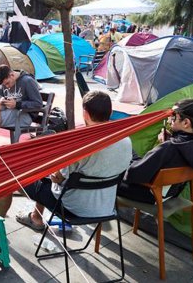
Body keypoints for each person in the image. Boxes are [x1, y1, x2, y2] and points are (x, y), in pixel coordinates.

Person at [12, 91, 132, 226]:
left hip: (73, 208)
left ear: (85, 113)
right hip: (106, 207)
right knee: (51, 178)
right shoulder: (125, 139)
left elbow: (57, 178)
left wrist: (52, 168)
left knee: (11, 176)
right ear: (110, 113)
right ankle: (36, 217)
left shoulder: (80, 145)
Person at [117, 99, 193, 204]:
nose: (169, 120)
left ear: (186, 122)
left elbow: (133, 175)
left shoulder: (170, 147)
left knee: (104, 177)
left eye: (173, 116)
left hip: (150, 193)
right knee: (129, 152)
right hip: (171, 192)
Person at [0, 65, 42, 150]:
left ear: (12, 75)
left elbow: (38, 103)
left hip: (23, 115)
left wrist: (17, 104)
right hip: (10, 111)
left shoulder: (27, 81)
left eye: (7, 83)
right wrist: (1, 98)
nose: (7, 87)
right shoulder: (5, 81)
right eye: (4, 85)